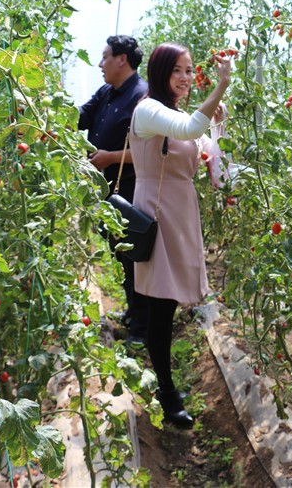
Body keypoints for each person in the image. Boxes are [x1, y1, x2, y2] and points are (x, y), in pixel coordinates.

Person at [129, 43, 232, 427]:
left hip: (179, 213)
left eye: (189, 70)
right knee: (161, 305)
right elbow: (190, 129)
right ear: (160, 72)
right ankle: (167, 393)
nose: (186, 78)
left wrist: (219, 125)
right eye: (177, 70)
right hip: (156, 213)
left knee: (167, 303)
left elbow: (213, 163)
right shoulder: (148, 110)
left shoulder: (175, 114)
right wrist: (220, 86)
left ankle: (166, 386)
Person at [78, 35, 148, 345]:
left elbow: (152, 151)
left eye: (105, 57)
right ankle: (134, 313)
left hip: (132, 189)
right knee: (121, 254)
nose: (100, 63)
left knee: (136, 256)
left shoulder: (143, 97)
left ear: (122, 60)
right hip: (109, 191)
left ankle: (143, 329)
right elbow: (80, 117)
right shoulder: (106, 92)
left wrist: (110, 157)